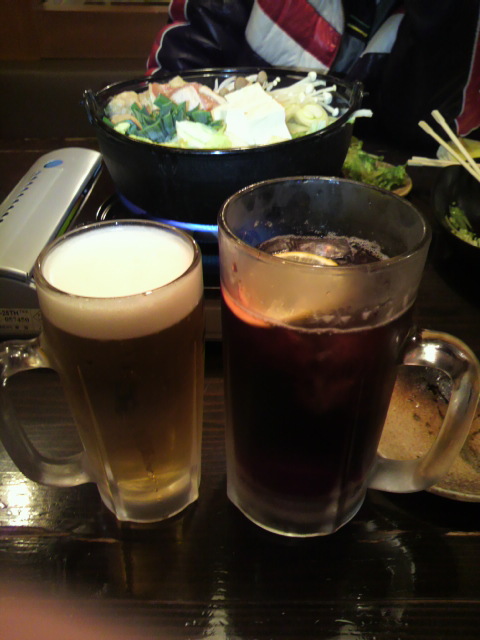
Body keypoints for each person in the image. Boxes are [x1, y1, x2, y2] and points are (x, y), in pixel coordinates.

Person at [147, 0, 480, 151]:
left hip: (359, 212)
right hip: (223, 189)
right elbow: (176, 73)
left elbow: (430, 144)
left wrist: (437, 17)